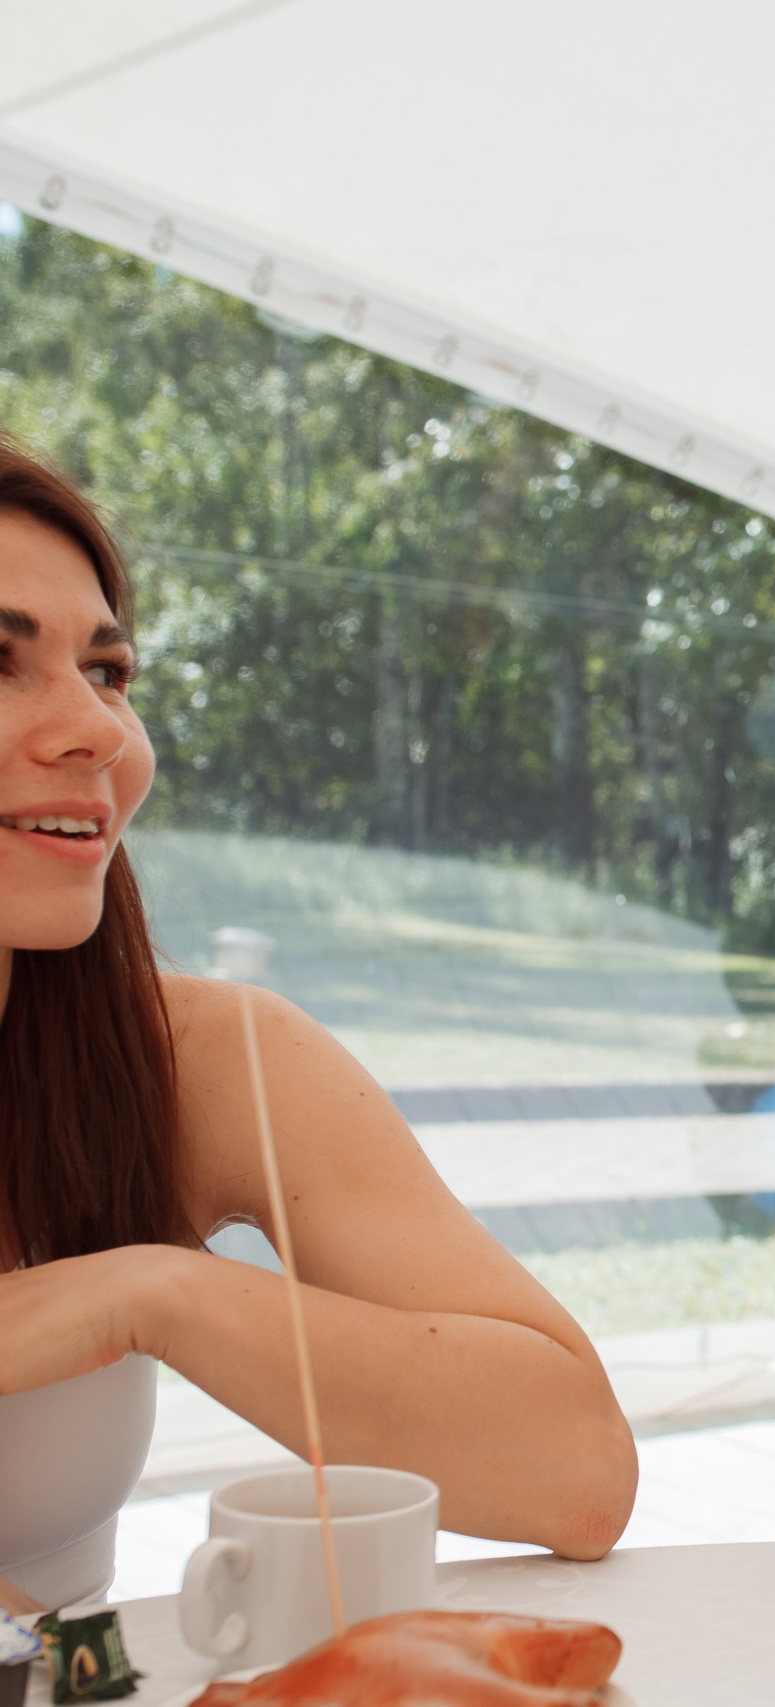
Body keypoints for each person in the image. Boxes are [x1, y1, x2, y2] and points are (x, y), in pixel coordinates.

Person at [0, 440, 636, 1606]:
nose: (97, 730)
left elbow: (576, 1470)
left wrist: (150, 1295)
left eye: (108, 670)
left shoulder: (198, 1059)